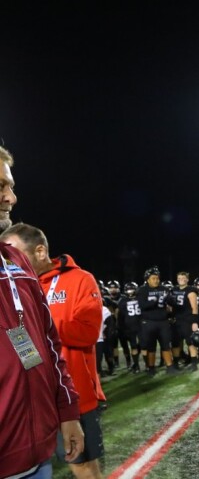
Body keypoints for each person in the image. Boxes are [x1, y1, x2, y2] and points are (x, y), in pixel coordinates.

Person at [0, 146, 85, 478]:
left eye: (10, 186)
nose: (11, 198)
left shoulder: (16, 260)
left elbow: (44, 343)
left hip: (37, 456)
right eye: (0, 187)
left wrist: (66, 411)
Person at [1, 222, 107, 478]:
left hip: (75, 394)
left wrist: (42, 327)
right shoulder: (18, 284)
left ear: (39, 252)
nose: (9, 261)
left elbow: (87, 331)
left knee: (84, 466)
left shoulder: (81, 279)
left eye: (13, 252)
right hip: (37, 402)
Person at [137, 266, 179, 375]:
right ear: (147, 279)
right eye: (153, 278)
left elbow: (172, 303)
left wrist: (170, 299)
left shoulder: (164, 289)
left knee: (166, 345)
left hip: (163, 321)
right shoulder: (142, 290)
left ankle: (170, 367)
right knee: (151, 347)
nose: (156, 280)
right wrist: (155, 301)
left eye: (157, 278)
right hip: (149, 322)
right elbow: (142, 305)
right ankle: (151, 368)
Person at [170, 271, 199, 371]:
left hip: (187, 319)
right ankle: (175, 363)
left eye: (183, 278)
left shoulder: (191, 290)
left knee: (190, 342)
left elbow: (194, 308)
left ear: (187, 279)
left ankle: (194, 363)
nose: (181, 280)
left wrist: (194, 322)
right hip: (176, 320)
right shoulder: (173, 289)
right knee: (175, 343)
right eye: (179, 278)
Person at [117, 281, 142, 373]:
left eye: (132, 289)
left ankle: (138, 365)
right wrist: (121, 327)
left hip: (141, 325)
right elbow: (120, 316)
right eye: (128, 290)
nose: (130, 291)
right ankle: (136, 365)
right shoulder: (123, 301)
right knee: (134, 346)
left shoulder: (140, 298)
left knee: (143, 345)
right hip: (130, 327)